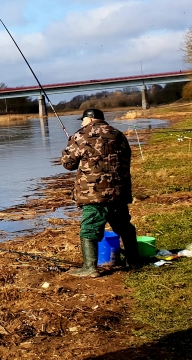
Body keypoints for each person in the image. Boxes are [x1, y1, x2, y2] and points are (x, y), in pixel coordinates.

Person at [60, 108, 140, 277]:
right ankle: (134, 261)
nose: (82, 123)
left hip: (94, 193)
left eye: (83, 120)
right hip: (119, 191)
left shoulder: (80, 135)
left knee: (89, 229)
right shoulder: (118, 134)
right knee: (124, 227)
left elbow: (68, 164)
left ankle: (90, 268)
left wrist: (68, 148)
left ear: (89, 120)